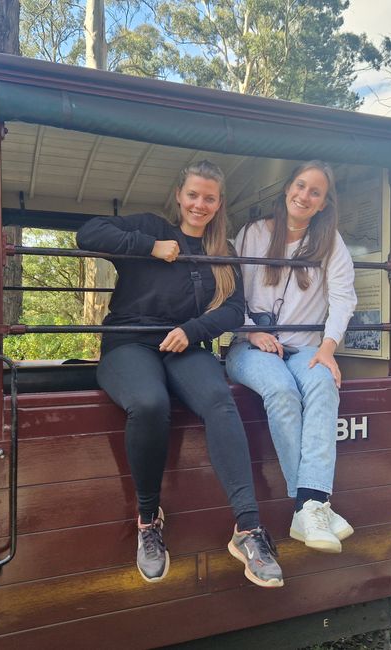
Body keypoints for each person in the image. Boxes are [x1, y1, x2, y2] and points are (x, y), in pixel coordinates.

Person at [76, 160, 283, 588]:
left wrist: (191, 331)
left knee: (220, 401)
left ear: (218, 202)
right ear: (179, 196)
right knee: (149, 404)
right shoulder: (152, 228)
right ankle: (149, 520)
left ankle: (248, 530)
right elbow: (88, 233)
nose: (199, 204)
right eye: (193, 195)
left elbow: (231, 309)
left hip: (183, 346)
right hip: (130, 343)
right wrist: (149, 246)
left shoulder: (221, 252)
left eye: (209, 198)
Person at [226, 161, 357, 553]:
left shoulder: (331, 242)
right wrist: (253, 329)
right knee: (282, 390)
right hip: (250, 345)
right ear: (287, 189)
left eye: (315, 192)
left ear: (322, 204)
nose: (304, 196)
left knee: (322, 382)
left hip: (305, 346)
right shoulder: (251, 234)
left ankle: (308, 504)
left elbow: (343, 299)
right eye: (300, 186)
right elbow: (228, 292)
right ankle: (313, 506)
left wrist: (329, 349)